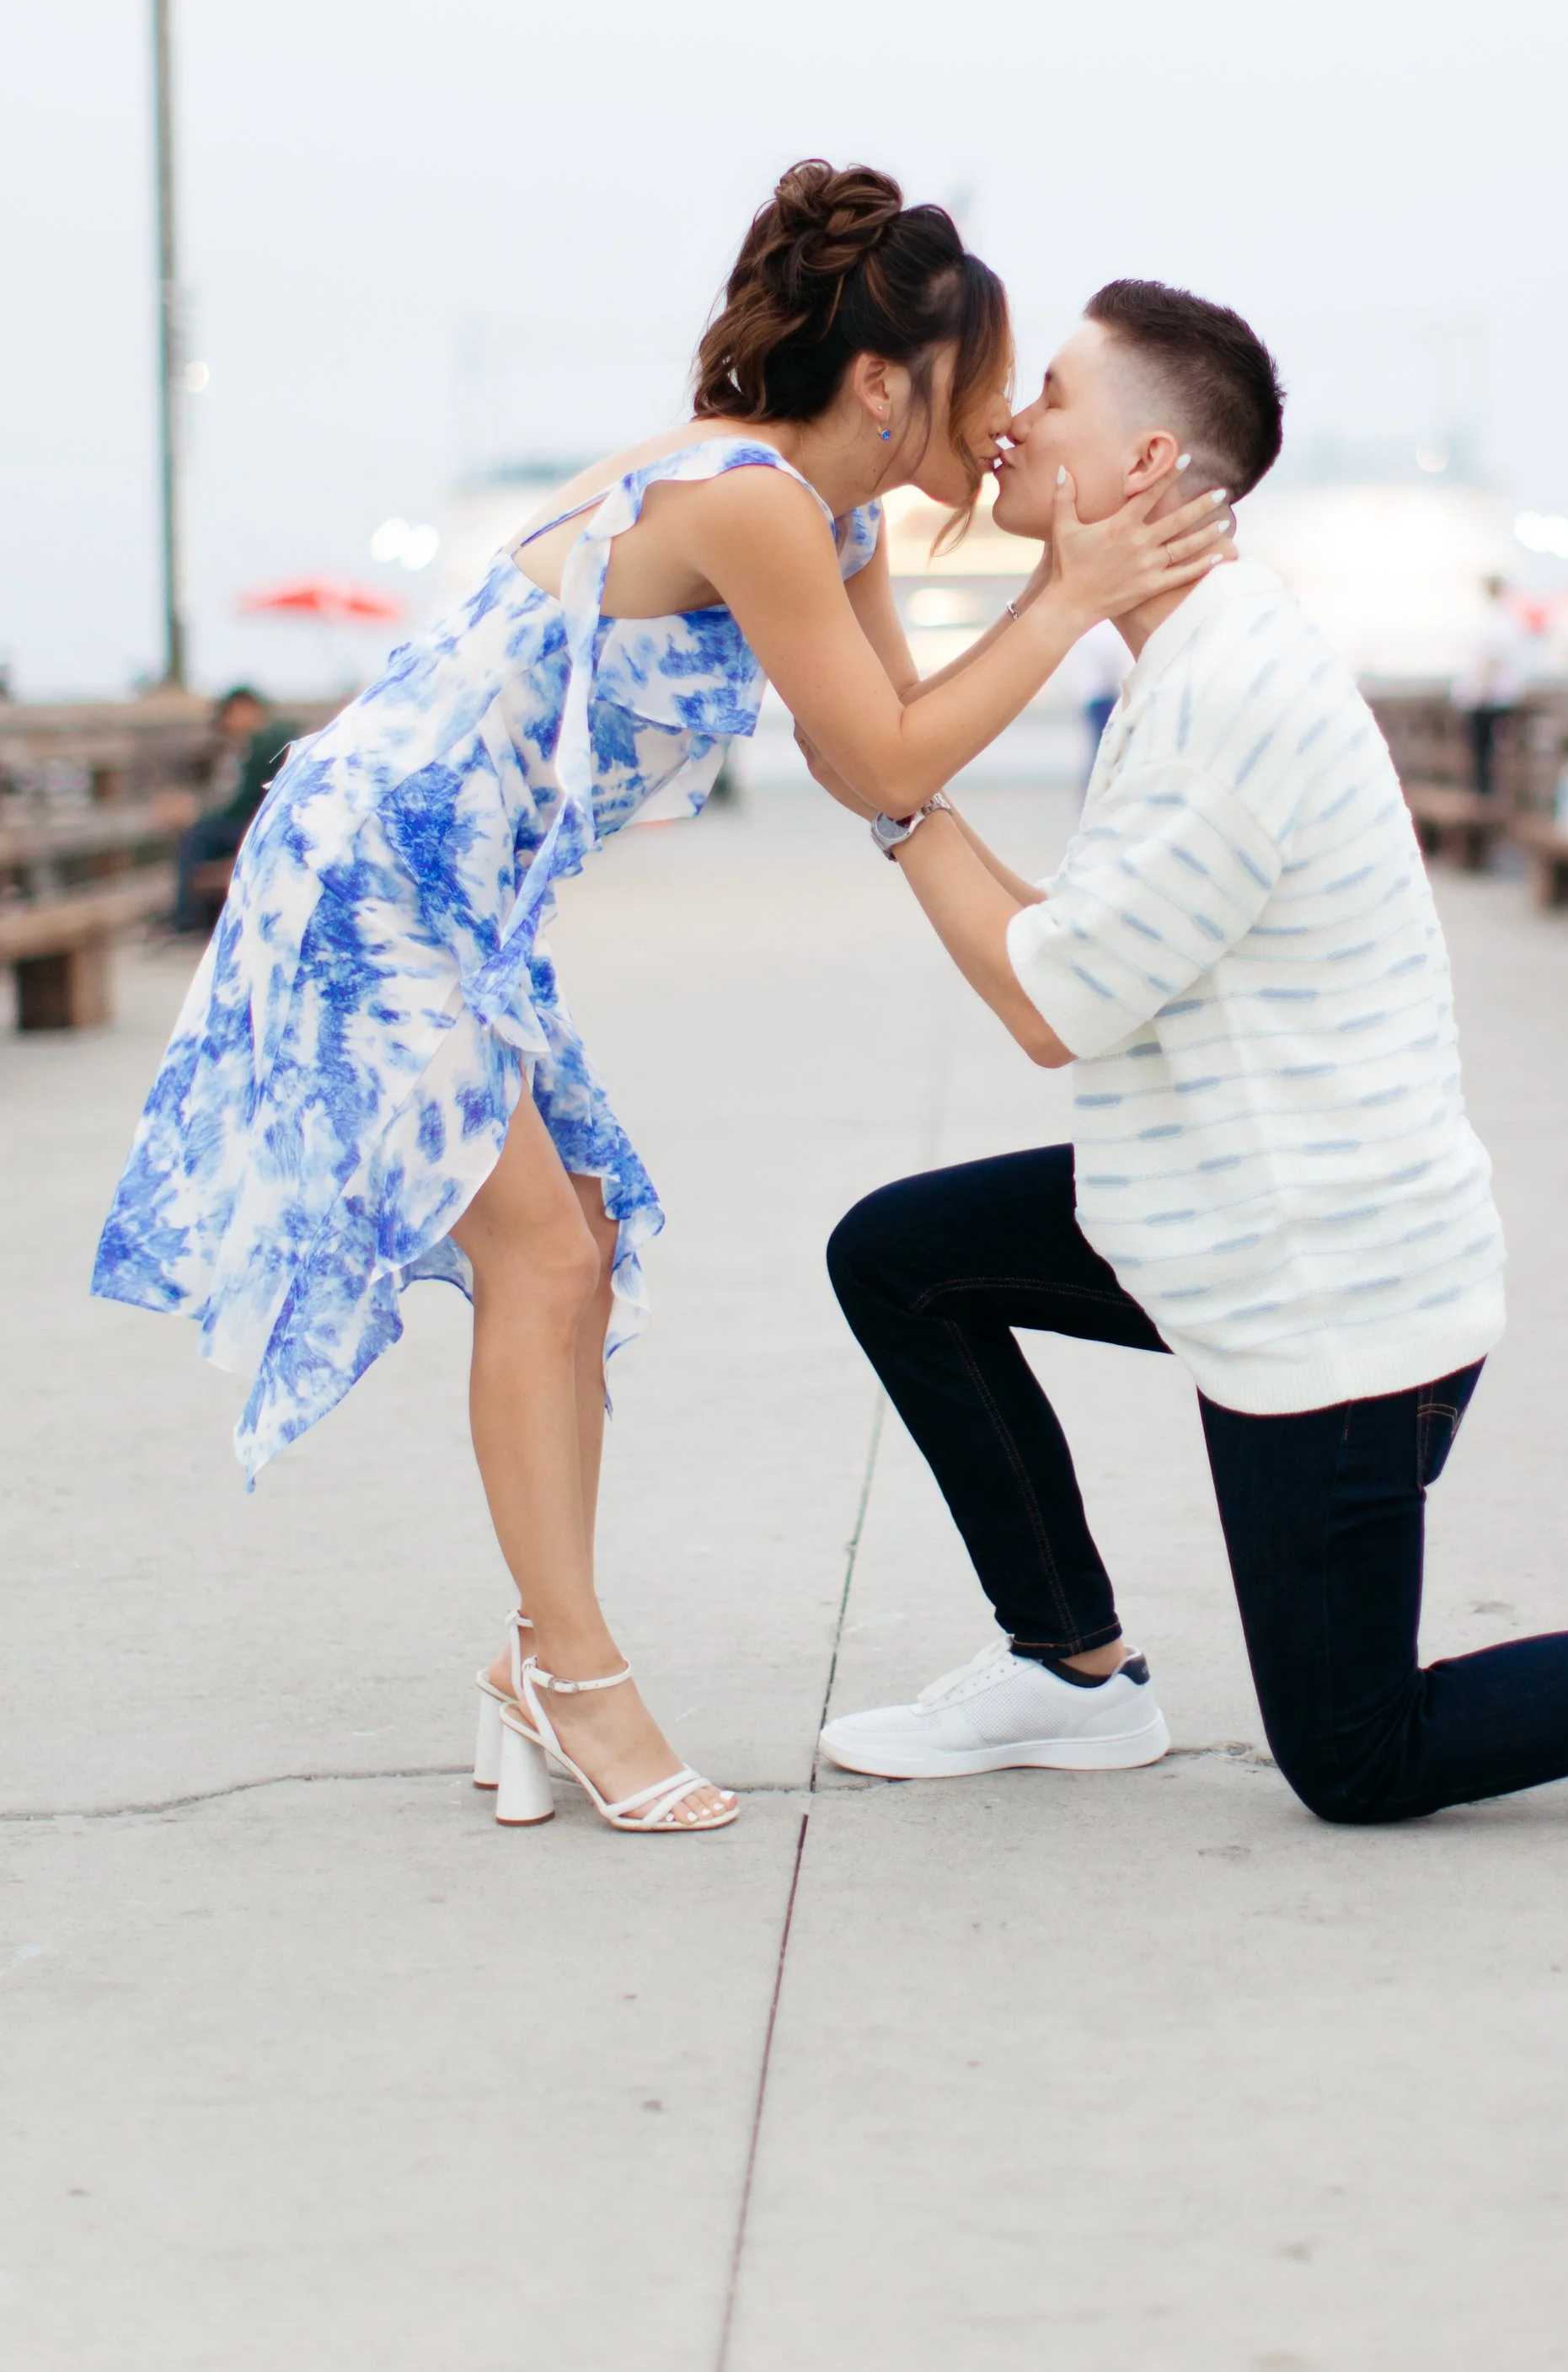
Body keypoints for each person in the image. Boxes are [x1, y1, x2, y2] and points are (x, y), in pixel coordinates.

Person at [93, 166, 1231, 1840]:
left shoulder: (824, 518)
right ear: (882, 383)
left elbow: (877, 752)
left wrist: (1058, 663)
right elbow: (899, 757)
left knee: (578, 1247)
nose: (999, 420)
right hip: (371, 875)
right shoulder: (749, 498)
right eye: (985, 378)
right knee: (542, 1253)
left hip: (453, 891)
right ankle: (572, 1673)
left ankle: (540, 1665)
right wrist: (1066, 597)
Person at [811, 280, 1568, 1817]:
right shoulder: (1190, 659)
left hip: (1333, 1288)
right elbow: (1088, 944)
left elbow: (1050, 1004)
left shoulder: (1234, 691)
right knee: (898, 1256)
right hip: (1221, 1204)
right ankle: (1068, 1669)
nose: (1015, 421)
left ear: (1148, 464)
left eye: (1051, 394)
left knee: (1357, 1759)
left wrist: (902, 808)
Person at [169, 686, 302, 933]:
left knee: (198, 835)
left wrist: (198, 815)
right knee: (199, 837)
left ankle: (186, 917)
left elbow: (243, 801)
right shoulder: (246, 747)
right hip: (257, 823)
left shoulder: (266, 742)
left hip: (255, 824)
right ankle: (197, 916)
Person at [1450, 570, 1524, 799]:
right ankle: (1485, 791)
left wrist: (1480, 691)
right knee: (1485, 749)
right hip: (1494, 693)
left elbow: (1492, 659)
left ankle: (1485, 794)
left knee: (1485, 749)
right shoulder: (1504, 618)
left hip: (1489, 696)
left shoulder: (1497, 619)